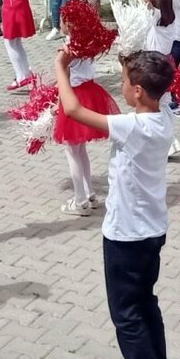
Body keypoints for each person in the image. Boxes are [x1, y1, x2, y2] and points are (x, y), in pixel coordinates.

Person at [56, 49, 179, 359]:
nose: (121, 87)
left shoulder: (134, 126)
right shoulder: (165, 117)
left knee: (126, 313)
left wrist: (60, 69)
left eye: (125, 82)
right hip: (152, 230)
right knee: (146, 304)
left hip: (126, 234)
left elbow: (73, 110)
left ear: (138, 91)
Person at [54, 13, 121, 216]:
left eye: (61, 20)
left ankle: (80, 199)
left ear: (69, 24)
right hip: (90, 92)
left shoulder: (69, 48)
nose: (59, 23)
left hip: (75, 95)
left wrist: (58, 104)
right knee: (80, 150)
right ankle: (89, 192)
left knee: (72, 151)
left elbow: (63, 78)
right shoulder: (87, 42)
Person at [2, 0, 38, 90]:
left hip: (11, 5)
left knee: (10, 42)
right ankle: (26, 74)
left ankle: (21, 76)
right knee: (16, 42)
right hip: (22, 2)